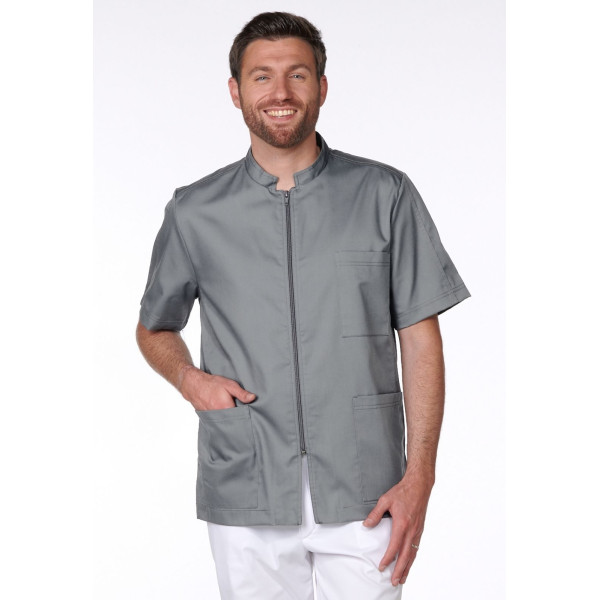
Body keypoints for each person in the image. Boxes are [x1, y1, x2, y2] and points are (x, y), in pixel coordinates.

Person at [136, 11, 470, 599]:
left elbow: (421, 339)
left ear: (322, 86)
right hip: (247, 479)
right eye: (261, 76)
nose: (281, 92)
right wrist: (191, 380)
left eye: (298, 74)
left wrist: (421, 475)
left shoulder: (384, 194)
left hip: (368, 487)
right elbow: (154, 328)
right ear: (236, 91)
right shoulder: (195, 212)